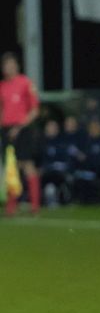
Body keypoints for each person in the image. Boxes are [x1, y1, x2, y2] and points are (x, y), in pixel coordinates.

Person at [0, 52, 41, 216]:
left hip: (23, 129)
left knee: (27, 165)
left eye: (11, 64)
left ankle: (35, 205)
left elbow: (34, 111)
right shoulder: (2, 86)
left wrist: (19, 127)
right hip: (6, 130)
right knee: (11, 167)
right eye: (6, 65)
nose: (9, 67)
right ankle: (11, 205)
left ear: (16, 65)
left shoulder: (25, 83)